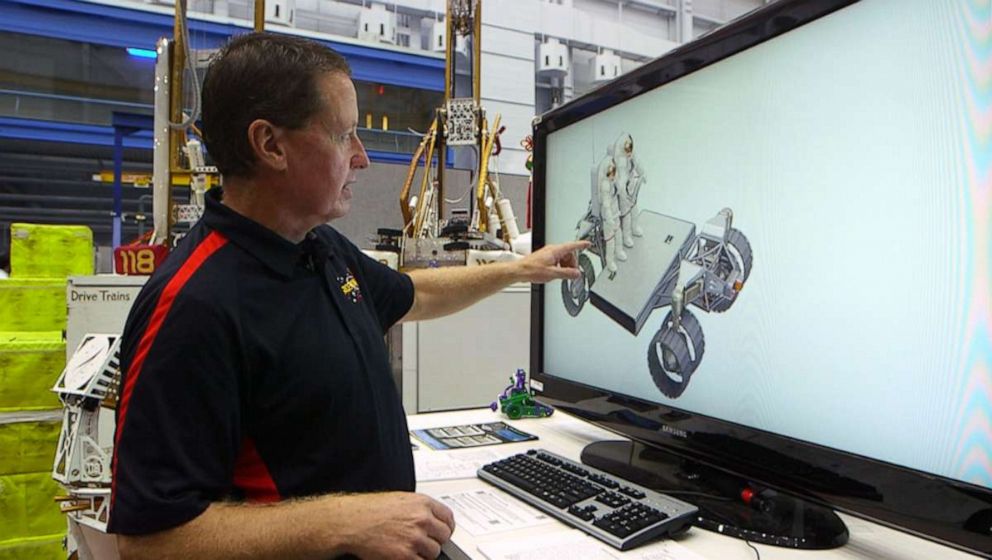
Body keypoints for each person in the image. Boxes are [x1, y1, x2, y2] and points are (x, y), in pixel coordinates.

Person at [108, 32, 587, 559]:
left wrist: (520, 269)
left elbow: (414, 293)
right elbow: (146, 541)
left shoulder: (317, 247)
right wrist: (341, 521)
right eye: (344, 136)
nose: (361, 157)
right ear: (270, 145)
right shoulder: (194, 305)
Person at [611, 133, 645, 249]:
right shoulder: (620, 160)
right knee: (626, 215)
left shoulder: (631, 152)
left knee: (634, 209)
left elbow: (637, 163)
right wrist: (624, 196)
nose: (629, 152)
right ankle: (626, 237)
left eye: (630, 148)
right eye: (627, 149)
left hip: (630, 186)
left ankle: (634, 228)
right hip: (622, 191)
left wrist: (642, 174)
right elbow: (621, 181)